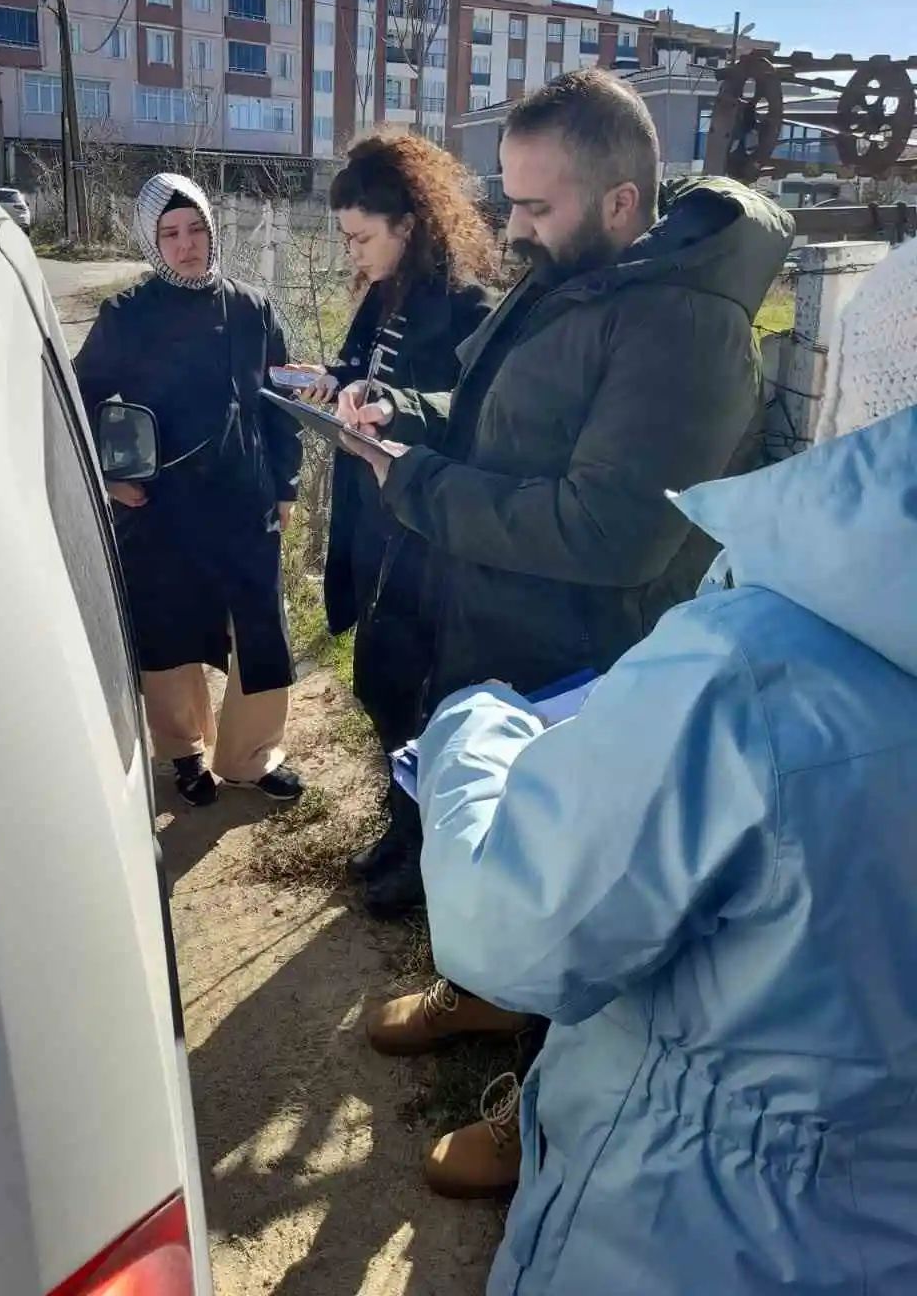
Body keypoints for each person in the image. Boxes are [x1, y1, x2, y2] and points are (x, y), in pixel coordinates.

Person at [412, 235, 917, 1296]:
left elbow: (508, 922)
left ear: (865, 401)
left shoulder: (748, 670)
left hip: (697, 1232)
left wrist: (475, 726)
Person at [338, 70, 791, 1195]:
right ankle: (488, 991)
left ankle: (548, 1105)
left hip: (590, 669)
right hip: (506, 631)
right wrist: (407, 415)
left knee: (574, 890)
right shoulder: (574, 279)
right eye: (511, 202)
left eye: (535, 207)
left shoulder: (685, 322)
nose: (512, 228)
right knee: (494, 848)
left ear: (624, 203)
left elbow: (610, 533)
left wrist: (417, 485)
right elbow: (502, 424)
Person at [285, 134, 495, 898]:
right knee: (377, 680)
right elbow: (356, 367)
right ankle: (401, 823)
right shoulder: (384, 294)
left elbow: (468, 424)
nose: (354, 255)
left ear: (408, 224)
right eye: (346, 240)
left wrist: (390, 413)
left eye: (361, 238)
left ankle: (423, 849)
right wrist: (327, 381)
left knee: (416, 692)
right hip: (371, 522)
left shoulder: (469, 307)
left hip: (426, 539)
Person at [75, 172, 304, 807]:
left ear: (211, 229)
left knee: (260, 628)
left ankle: (252, 756)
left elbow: (280, 398)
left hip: (244, 499)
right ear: (152, 243)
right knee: (168, 630)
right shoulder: (127, 315)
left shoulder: (251, 307)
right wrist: (111, 476)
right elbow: (74, 399)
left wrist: (284, 482)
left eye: (196, 228)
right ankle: (184, 752)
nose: (186, 245)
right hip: (163, 509)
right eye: (169, 234)